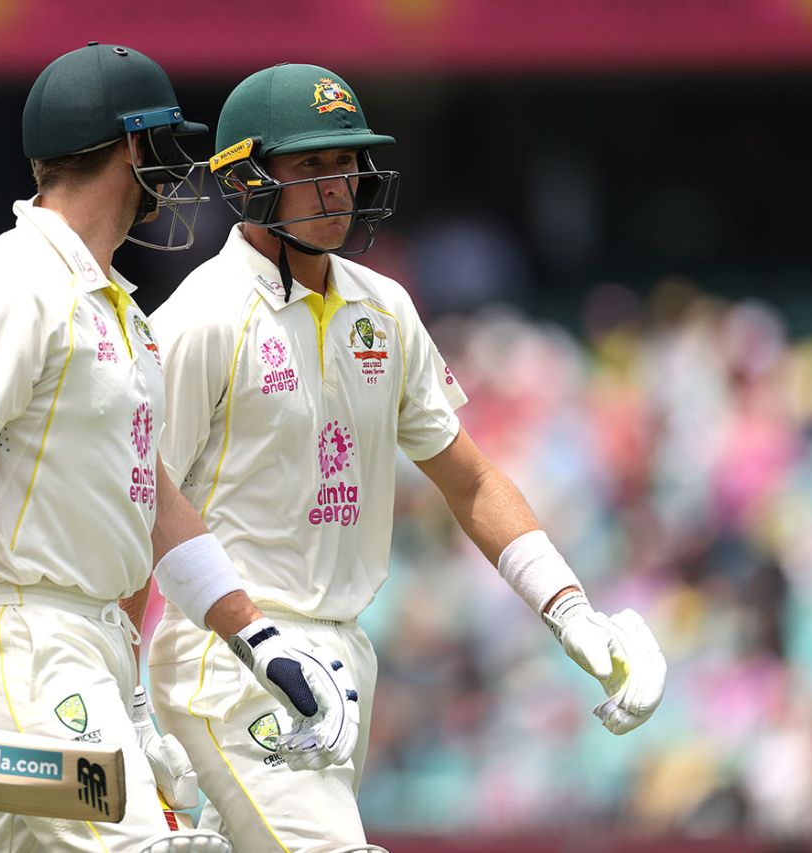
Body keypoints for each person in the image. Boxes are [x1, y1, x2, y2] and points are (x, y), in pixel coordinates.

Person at [0, 46, 358, 853]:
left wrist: (258, 639)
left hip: (89, 648)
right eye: (166, 145)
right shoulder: (17, 281)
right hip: (23, 639)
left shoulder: (118, 308)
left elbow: (145, 497)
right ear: (132, 147)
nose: (176, 170)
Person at [147, 63, 668, 852]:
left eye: (346, 162)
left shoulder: (383, 307)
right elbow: (140, 498)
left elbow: (471, 478)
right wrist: (123, 693)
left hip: (345, 658)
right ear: (247, 177)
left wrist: (570, 610)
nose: (339, 186)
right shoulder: (202, 319)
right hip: (231, 657)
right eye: (311, 166)